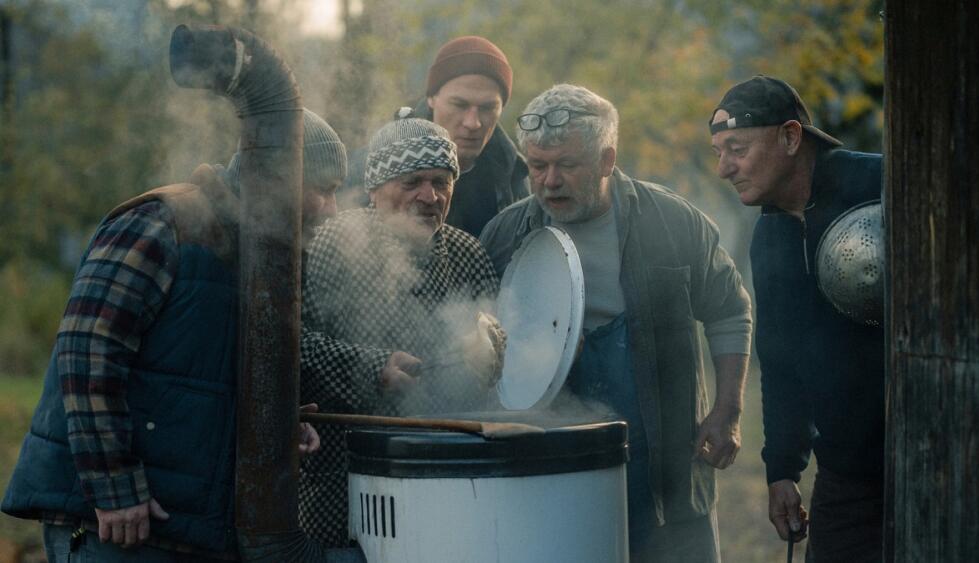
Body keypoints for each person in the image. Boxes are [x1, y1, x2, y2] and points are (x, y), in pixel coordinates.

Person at [1, 108, 346, 561]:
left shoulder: (257, 259)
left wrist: (273, 423)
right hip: (114, 527)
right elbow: (88, 350)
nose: (331, 209)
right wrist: (114, 485)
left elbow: (198, 377)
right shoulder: (164, 222)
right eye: (323, 190)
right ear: (279, 178)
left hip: (180, 529)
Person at [480, 84, 753, 563]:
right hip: (550, 466)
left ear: (607, 160)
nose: (549, 181)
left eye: (566, 165)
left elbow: (729, 310)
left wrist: (727, 411)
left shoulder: (671, 221)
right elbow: (481, 342)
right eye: (537, 167)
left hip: (666, 465)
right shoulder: (506, 234)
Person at [299, 117, 501, 547]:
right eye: (412, 181)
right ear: (375, 188)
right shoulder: (330, 242)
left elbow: (499, 364)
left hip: (448, 470)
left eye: (442, 182)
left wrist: (494, 352)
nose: (430, 197)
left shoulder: (469, 253)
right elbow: (291, 343)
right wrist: (371, 367)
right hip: (341, 467)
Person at [709, 75, 884, 563]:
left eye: (736, 148)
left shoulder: (886, 186)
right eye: (719, 152)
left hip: (937, 453)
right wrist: (781, 469)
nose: (724, 168)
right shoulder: (769, 236)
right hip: (848, 472)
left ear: (789, 137)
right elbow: (781, 361)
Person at [340, 36, 528, 237]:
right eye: (460, 104)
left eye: (488, 107)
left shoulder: (515, 175)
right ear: (431, 98)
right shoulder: (371, 166)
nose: (473, 123)